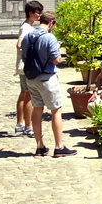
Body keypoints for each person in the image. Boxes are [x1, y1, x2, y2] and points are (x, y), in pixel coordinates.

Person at [22, 11, 77, 158]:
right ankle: (59, 146)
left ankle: (40, 146)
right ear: (51, 23)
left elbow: (24, 54)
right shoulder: (49, 37)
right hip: (47, 78)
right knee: (56, 110)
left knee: (37, 109)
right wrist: (57, 49)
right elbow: (56, 60)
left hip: (31, 78)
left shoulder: (28, 36)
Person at [14, 0, 43, 136]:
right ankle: (28, 126)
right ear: (31, 13)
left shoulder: (26, 26)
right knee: (29, 95)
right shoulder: (27, 28)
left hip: (23, 65)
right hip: (27, 65)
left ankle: (20, 124)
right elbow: (19, 44)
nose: (40, 15)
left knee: (24, 93)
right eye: (38, 12)